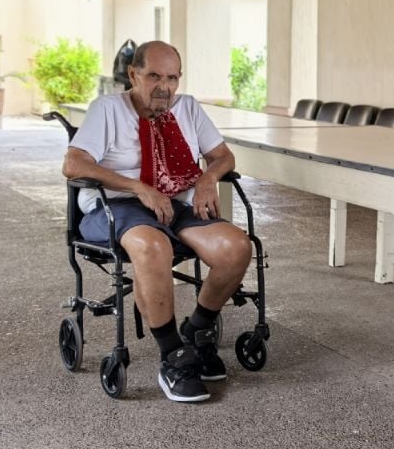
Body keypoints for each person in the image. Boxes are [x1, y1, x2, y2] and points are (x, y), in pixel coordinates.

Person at [62, 41, 253, 404]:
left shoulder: (188, 108)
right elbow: (73, 164)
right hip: (116, 205)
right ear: (133, 74)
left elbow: (222, 155)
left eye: (171, 77)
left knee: (236, 247)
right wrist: (139, 187)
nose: (163, 86)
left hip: (176, 202)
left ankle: (196, 331)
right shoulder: (108, 109)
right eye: (153, 76)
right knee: (153, 246)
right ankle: (172, 356)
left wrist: (207, 179)